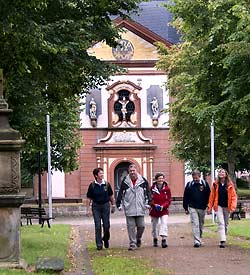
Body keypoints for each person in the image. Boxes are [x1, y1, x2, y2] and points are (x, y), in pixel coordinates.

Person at [116, 164, 151, 251]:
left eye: (133, 170)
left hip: (140, 207)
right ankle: (132, 243)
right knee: (131, 227)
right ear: (129, 171)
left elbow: (148, 193)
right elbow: (121, 193)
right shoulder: (125, 181)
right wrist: (119, 204)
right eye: (130, 171)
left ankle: (138, 238)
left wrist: (148, 203)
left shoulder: (143, 181)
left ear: (136, 170)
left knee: (141, 226)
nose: (132, 172)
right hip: (129, 207)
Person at [86, 167, 115, 250]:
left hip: (105, 206)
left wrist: (113, 205)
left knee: (106, 225)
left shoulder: (106, 184)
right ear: (96, 176)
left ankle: (106, 238)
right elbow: (88, 198)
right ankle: (99, 244)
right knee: (97, 225)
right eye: (100, 173)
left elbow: (111, 196)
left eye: (102, 173)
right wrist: (88, 210)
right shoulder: (92, 186)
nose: (102, 175)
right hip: (96, 207)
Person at [207, 168, 237, 248]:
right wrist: (210, 207)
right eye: (220, 172)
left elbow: (234, 196)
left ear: (226, 174)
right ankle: (222, 240)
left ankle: (224, 237)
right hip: (218, 205)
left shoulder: (230, 184)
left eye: (223, 172)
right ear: (218, 174)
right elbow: (212, 196)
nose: (221, 173)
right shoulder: (215, 184)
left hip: (227, 206)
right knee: (221, 222)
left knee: (226, 224)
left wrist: (233, 206)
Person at [183, 169, 210, 247]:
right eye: (193, 178)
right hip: (192, 207)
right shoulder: (189, 185)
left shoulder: (205, 184)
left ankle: (200, 237)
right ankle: (196, 241)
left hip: (202, 207)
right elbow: (186, 197)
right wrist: (185, 208)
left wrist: (209, 206)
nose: (195, 180)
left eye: (196, 178)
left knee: (201, 224)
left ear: (200, 176)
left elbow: (209, 195)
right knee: (195, 223)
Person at [149, 172, 172, 248]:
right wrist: (154, 205)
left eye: (162, 178)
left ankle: (163, 239)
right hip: (154, 210)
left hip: (164, 210)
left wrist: (163, 206)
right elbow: (149, 199)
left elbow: (169, 200)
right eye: (159, 178)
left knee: (164, 223)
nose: (161, 180)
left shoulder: (167, 189)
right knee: (154, 226)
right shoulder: (152, 189)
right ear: (156, 180)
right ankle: (155, 238)